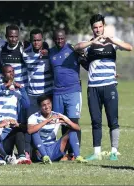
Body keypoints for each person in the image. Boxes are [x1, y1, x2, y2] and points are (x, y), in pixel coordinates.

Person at [74, 14, 133, 161]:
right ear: (92, 28)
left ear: (104, 26)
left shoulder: (112, 43)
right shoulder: (89, 44)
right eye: (95, 27)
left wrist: (111, 39)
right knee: (96, 120)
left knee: (113, 120)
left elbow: (129, 47)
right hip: (93, 87)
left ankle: (114, 151)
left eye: (100, 26)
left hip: (109, 86)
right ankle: (96, 152)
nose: (98, 29)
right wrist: (91, 43)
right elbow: (76, 47)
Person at [0, 64, 31, 164]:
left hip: (10, 129)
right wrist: (3, 86)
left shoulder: (17, 90)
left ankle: (22, 157)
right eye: (9, 72)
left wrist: (21, 89)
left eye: (13, 71)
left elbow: (27, 105)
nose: (12, 74)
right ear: (2, 75)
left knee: (18, 131)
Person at [49, 29, 82, 161]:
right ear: (53, 39)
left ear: (66, 38)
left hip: (73, 91)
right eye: (57, 39)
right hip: (57, 92)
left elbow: (86, 62)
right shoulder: (50, 52)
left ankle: (75, 153)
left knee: (73, 122)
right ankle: (64, 153)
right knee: (61, 122)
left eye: (62, 38)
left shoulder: (73, 49)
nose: (59, 41)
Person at [27, 95, 87, 164]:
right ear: (39, 107)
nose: (47, 107)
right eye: (44, 105)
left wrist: (67, 121)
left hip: (54, 149)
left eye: (48, 104)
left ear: (51, 104)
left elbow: (78, 128)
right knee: (35, 132)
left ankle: (78, 156)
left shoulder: (57, 115)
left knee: (72, 131)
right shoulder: (34, 117)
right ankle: (45, 157)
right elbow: (30, 130)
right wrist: (46, 121)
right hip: (40, 151)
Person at [22, 28, 52, 158]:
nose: (36, 43)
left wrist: (48, 54)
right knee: (31, 125)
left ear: (42, 40)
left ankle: (48, 151)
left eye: (39, 40)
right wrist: (41, 56)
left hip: (47, 94)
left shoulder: (49, 54)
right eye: (34, 40)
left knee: (49, 124)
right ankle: (27, 153)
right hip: (33, 95)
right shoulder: (26, 54)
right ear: (31, 41)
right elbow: (31, 63)